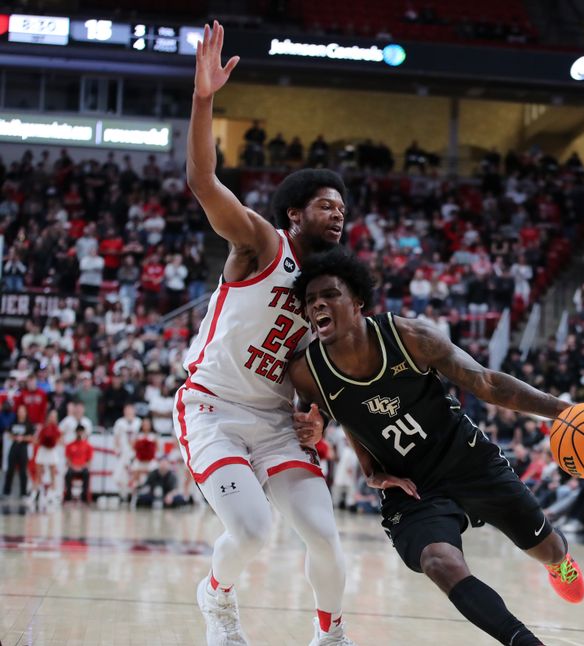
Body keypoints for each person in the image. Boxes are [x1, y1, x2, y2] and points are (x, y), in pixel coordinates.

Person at [289, 249, 584, 646]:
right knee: (438, 561)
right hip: (411, 487)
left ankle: (560, 563)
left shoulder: (409, 336)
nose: (317, 305)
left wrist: (565, 411)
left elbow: (487, 383)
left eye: (329, 295)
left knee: (549, 549)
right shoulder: (307, 372)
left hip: (467, 458)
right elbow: (335, 417)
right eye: (310, 301)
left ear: (358, 301)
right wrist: (342, 450)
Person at [176, 21, 353, 646]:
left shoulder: (332, 291)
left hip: (277, 419)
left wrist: (315, 415)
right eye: (327, 205)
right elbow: (203, 183)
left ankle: (329, 634)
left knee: (324, 534)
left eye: (344, 211)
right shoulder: (260, 243)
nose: (338, 214)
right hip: (215, 409)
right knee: (252, 532)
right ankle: (216, 596)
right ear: (295, 213)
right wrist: (204, 100)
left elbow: (314, 370)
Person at [64, 425, 93, 503]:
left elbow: (89, 460)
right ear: (75, 432)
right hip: (73, 467)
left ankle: (84, 497)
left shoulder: (88, 446)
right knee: (68, 474)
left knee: (86, 473)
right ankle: (68, 496)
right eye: (78, 431)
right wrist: (73, 466)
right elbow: (68, 459)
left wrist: (83, 466)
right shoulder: (70, 445)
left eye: (81, 431)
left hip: (83, 467)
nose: (79, 433)